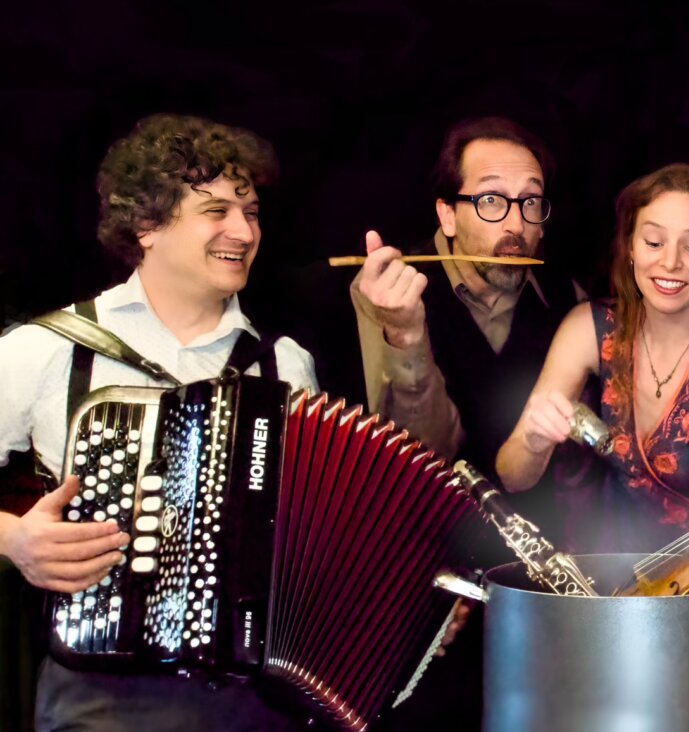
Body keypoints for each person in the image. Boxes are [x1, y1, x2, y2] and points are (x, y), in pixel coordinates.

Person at [0, 113, 316, 730]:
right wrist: (13, 541)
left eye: (250, 213)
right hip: (99, 695)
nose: (244, 230)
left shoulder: (285, 364)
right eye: (216, 210)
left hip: (257, 697)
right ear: (146, 224)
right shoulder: (47, 348)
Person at [495, 163, 689, 553]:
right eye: (654, 242)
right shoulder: (589, 327)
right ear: (631, 247)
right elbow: (512, 476)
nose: (670, 263)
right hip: (607, 575)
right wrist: (534, 442)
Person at [351, 116, 586, 539]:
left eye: (530, 202)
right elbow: (418, 453)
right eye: (491, 200)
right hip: (419, 541)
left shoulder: (568, 299)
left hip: (534, 551)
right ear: (448, 216)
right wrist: (405, 335)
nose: (516, 225)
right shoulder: (388, 290)